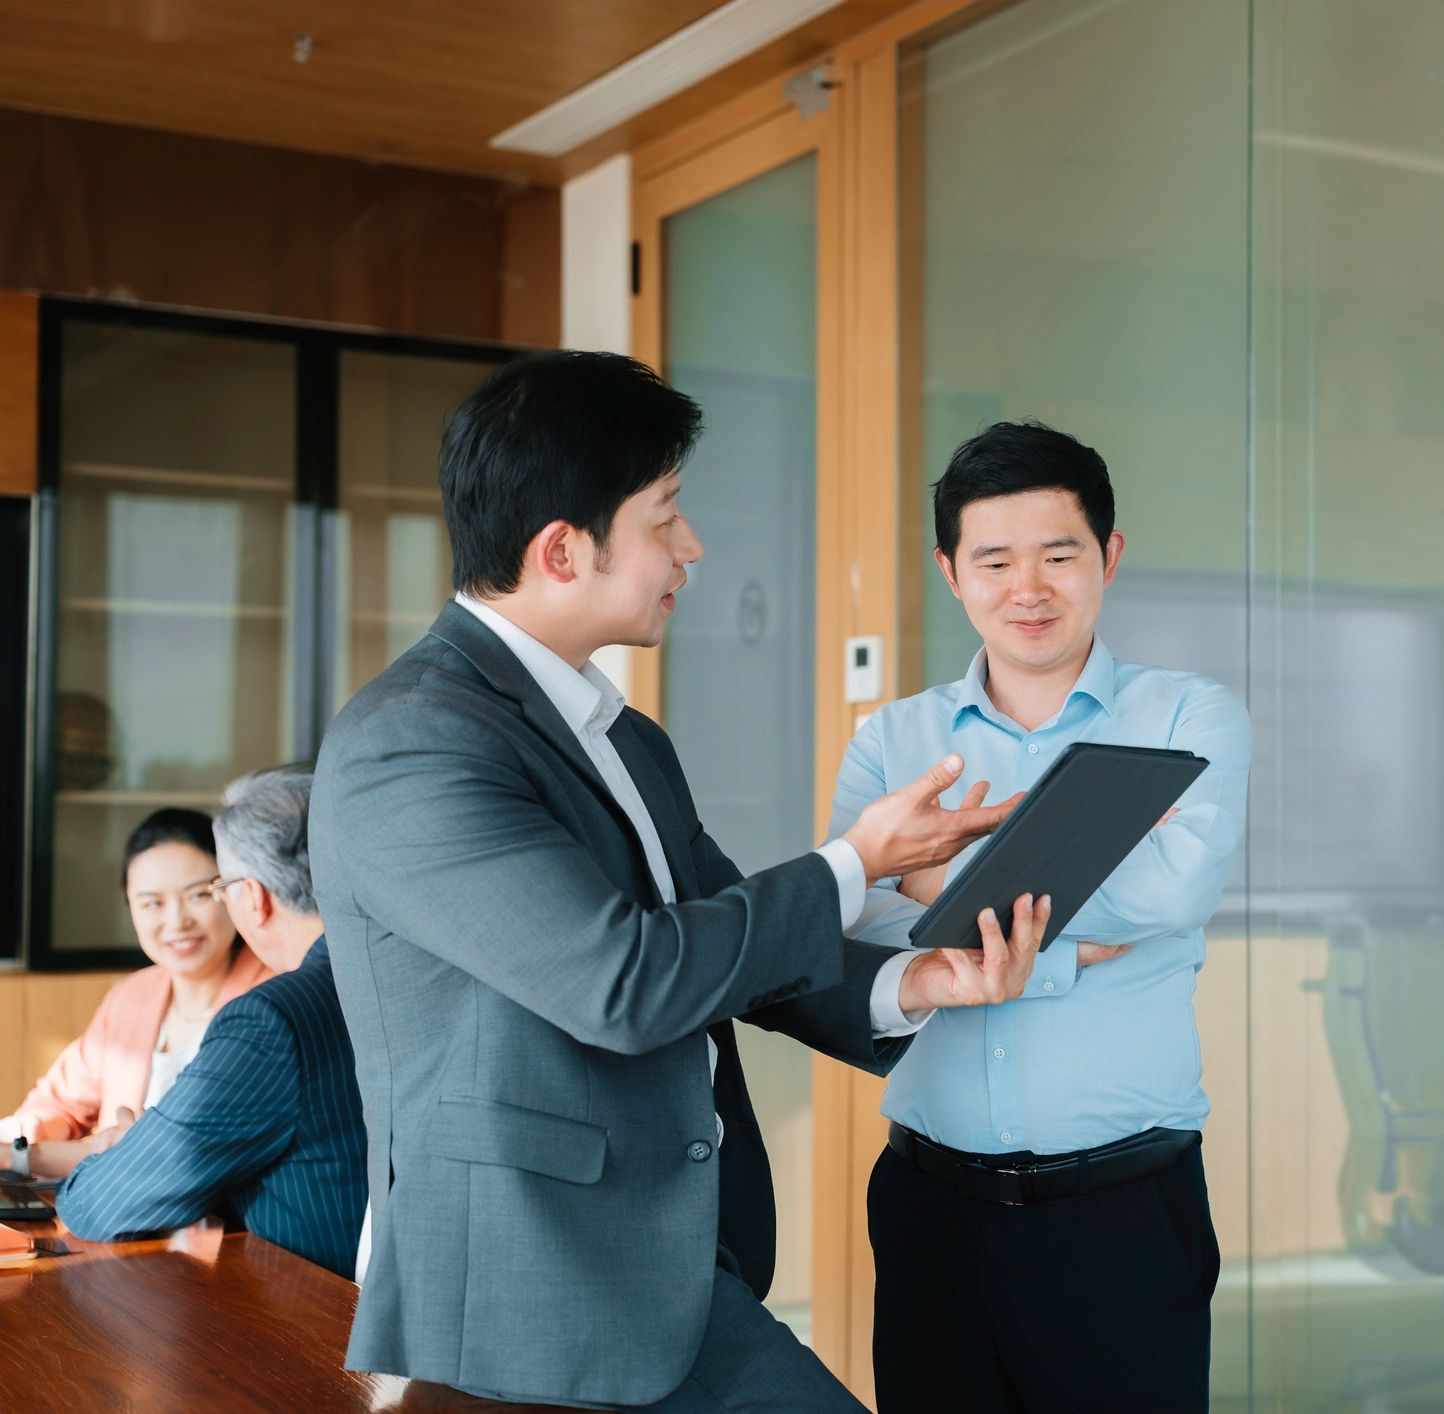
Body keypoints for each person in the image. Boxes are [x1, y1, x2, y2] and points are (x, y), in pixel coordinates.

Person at [311, 351, 1051, 1411]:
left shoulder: (623, 735)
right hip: (528, 1297)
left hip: (662, 1271)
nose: (690, 547)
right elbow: (626, 982)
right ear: (562, 549)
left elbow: (720, 945)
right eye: (664, 517)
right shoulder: (415, 743)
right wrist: (857, 861)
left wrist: (915, 983)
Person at [829, 420, 1251, 1413]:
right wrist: (1071, 939)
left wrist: (941, 880)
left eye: (1059, 555)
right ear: (950, 571)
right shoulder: (893, 739)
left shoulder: (1190, 717)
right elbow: (856, 925)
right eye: (995, 559)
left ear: (1106, 555)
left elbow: (1172, 892)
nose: (1029, 587)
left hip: (1120, 1213)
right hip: (932, 1212)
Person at [54, 765, 366, 1277]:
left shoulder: (269, 1019)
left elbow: (97, 1207)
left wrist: (125, 1152)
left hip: (308, 1322)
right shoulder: (391, 977)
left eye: (214, 889)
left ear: (255, 897)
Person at [2, 808, 270, 1174]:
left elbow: (183, 1150)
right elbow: (60, 1102)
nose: (177, 922)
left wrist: (23, 1157)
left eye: (197, 895)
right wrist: (19, 1136)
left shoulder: (272, 993)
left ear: (232, 890)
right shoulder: (132, 996)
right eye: (152, 903)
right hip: (126, 1221)